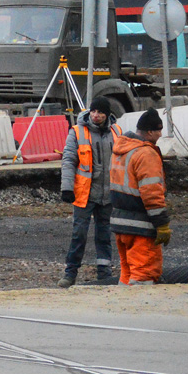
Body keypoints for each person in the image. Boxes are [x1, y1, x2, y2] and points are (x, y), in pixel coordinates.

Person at [57, 96, 122, 287]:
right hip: (84, 194)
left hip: (108, 195)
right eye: (94, 111)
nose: (96, 115)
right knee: (79, 234)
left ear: (107, 114)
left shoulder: (116, 131)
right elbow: (68, 160)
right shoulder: (77, 132)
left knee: (105, 235)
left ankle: (104, 274)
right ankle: (70, 273)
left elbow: (123, 161)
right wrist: (67, 188)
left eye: (100, 112)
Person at [109, 108, 170, 285]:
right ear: (150, 132)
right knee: (144, 274)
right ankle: (140, 309)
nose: (160, 134)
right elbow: (152, 193)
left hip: (120, 223)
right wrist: (162, 224)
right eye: (158, 130)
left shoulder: (121, 149)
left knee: (127, 273)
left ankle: (120, 308)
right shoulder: (146, 153)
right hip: (141, 226)